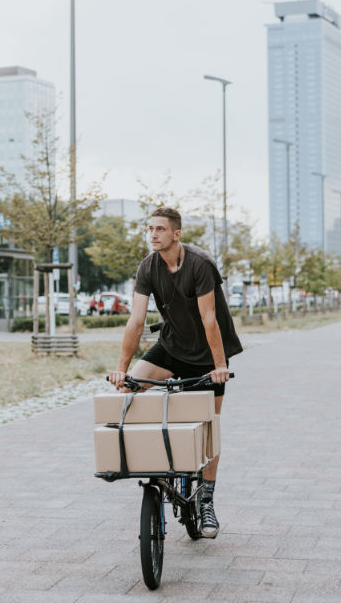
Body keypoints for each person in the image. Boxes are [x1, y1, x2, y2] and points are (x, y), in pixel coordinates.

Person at [109, 207, 242, 539]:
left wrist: (220, 366)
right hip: (170, 348)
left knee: (210, 425)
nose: (153, 234)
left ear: (176, 234)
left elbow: (209, 319)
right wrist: (121, 370)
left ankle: (207, 498)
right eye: (149, 229)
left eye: (160, 229)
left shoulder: (200, 264)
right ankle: (147, 460)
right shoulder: (148, 266)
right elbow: (137, 321)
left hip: (207, 356)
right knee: (128, 389)